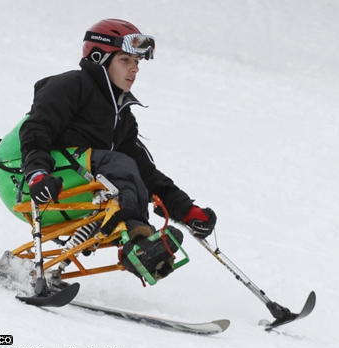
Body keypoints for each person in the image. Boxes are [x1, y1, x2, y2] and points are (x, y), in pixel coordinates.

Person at [19, 18, 216, 243]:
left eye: (137, 62)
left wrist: (185, 209)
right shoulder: (71, 84)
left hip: (79, 189)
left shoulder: (120, 117)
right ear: (99, 58)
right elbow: (37, 128)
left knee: (126, 168)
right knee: (120, 165)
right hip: (29, 179)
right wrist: (36, 174)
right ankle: (138, 239)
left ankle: (143, 249)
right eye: (125, 60)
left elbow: (144, 172)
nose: (135, 69)